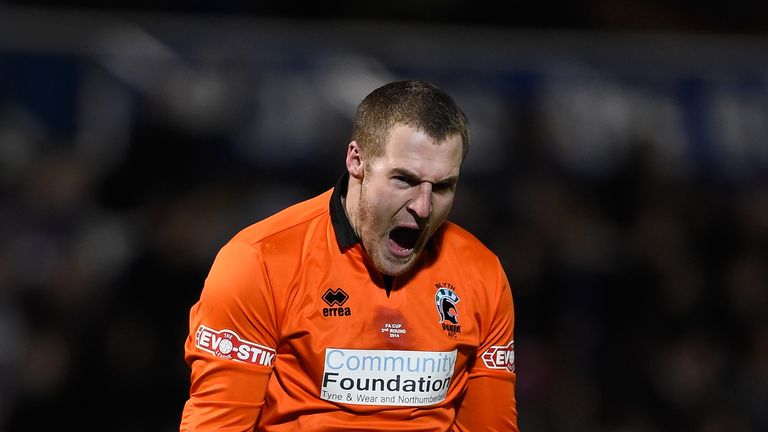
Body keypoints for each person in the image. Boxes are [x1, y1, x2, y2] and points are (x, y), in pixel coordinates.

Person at [179, 80, 518, 431]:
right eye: (404, 179)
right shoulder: (259, 262)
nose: (423, 207)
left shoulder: (482, 274)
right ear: (357, 160)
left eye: (443, 187)